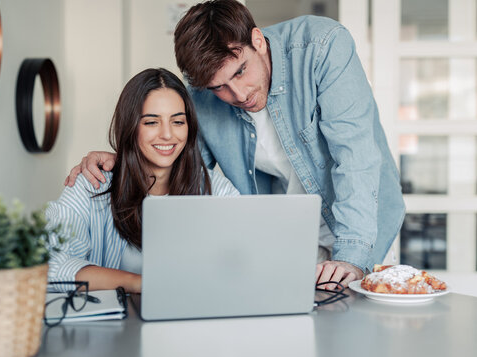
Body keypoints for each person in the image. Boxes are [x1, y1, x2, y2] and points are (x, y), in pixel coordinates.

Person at [64, 0, 405, 290]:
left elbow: (354, 158)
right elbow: (182, 163)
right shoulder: (201, 91)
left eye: (240, 72)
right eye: (219, 88)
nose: (238, 95)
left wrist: (351, 257)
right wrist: (124, 158)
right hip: (285, 234)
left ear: (257, 40)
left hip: (360, 225)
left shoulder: (322, 46)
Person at [47, 68, 239, 293]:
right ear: (131, 126)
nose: (167, 135)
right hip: (112, 326)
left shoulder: (215, 190)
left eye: (177, 122)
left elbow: (243, 264)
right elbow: (50, 265)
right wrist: (142, 284)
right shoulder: (91, 184)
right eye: (151, 122)